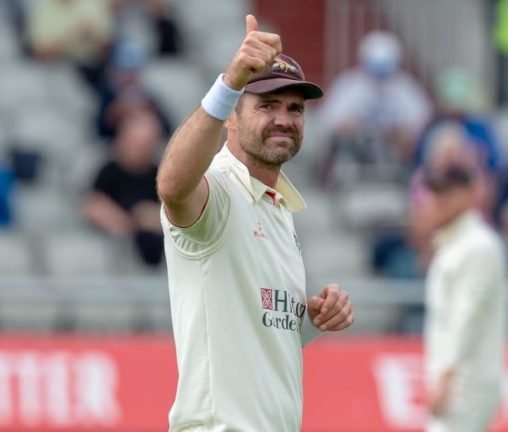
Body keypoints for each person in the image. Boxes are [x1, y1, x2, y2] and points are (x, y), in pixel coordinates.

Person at [156, 15, 355, 431]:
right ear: (231, 116)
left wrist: (311, 321)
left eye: (295, 108)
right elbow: (172, 186)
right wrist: (229, 82)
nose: (284, 118)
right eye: (266, 105)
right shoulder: (220, 192)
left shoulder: (278, 207)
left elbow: (256, 336)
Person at [422, 163, 508, 431]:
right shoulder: (453, 244)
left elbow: (467, 317)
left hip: (466, 383)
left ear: (472, 194)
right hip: (457, 379)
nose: (440, 200)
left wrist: (446, 378)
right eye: (436, 193)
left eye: (448, 192)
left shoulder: (479, 246)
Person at [317, 30, 433, 187]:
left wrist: (401, 132)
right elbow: (330, 118)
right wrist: (353, 126)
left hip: (393, 151)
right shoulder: (350, 84)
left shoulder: (405, 87)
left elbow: (421, 117)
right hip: (357, 149)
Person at [84, 109, 165, 266]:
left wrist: (153, 216)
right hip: (116, 248)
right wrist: (133, 221)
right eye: (137, 143)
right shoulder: (108, 172)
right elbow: (94, 207)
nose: (142, 149)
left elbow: (175, 213)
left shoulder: (161, 174)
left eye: (147, 144)